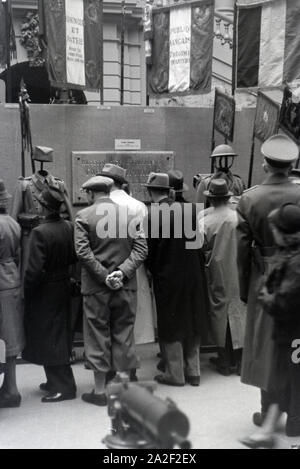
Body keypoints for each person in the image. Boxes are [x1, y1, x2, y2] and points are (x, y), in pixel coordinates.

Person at [236, 134, 300, 430]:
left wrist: (245, 287)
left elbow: (241, 250)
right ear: (292, 164)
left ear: (264, 163)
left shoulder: (250, 198)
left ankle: (269, 412)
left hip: (266, 278)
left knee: (267, 347)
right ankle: (297, 418)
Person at [75, 176, 148, 406]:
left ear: (89, 194)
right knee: (124, 334)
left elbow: (83, 253)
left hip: (97, 288)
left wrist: (104, 276)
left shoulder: (83, 216)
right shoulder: (129, 215)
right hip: (125, 286)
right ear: (110, 190)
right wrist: (122, 272)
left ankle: (99, 392)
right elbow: (141, 250)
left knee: (97, 335)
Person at [241, 203, 300, 448]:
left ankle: (272, 429)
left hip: (293, 333)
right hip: (287, 332)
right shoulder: (290, 253)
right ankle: (274, 428)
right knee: (282, 378)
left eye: (275, 228)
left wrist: (264, 295)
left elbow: (284, 300)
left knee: (288, 378)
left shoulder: (295, 261)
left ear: (283, 231)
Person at [146, 172, 209, 387]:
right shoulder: (190, 210)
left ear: (150, 191)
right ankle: (194, 371)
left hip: (168, 276)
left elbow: (150, 253)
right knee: (191, 318)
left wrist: (153, 271)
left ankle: (175, 374)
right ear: (170, 191)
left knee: (170, 323)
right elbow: (198, 243)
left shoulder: (154, 214)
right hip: (193, 274)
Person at [23, 187, 77, 403]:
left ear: (43, 207)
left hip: (44, 290)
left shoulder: (39, 232)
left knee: (49, 337)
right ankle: (54, 381)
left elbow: (33, 270)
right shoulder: (68, 226)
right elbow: (74, 257)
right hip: (63, 284)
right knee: (58, 335)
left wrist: (28, 292)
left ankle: (65, 387)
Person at [99, 164, 155, 347]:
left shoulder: (100, 204)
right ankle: (130, 359)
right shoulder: (138, 206)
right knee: (134, 314)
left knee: (110, 314)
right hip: (134, 264)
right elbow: (143, 241)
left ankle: (114, 357)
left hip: (107, 264)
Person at [199, 179, 246, 376]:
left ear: (210, 198)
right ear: (228, 197)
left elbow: (198, 248)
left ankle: (224, 360)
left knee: (219, 313)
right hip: (239, 269)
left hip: (216, 271)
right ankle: (240, 362)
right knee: (239, 311)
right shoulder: (239, 217)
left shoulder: (203, 220)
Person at [11, 146, 73, 278]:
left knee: (54, 271)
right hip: (31, 236)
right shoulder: (24, 185)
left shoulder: (59, 184)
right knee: (31, 271)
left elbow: (70, 215)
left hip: (54, 235)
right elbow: (14, 219)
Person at [0, 180, 24, 408]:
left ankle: (8, 390)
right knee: (10, 339)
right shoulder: (12, 223)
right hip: (11, 280)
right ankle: (11, 387)